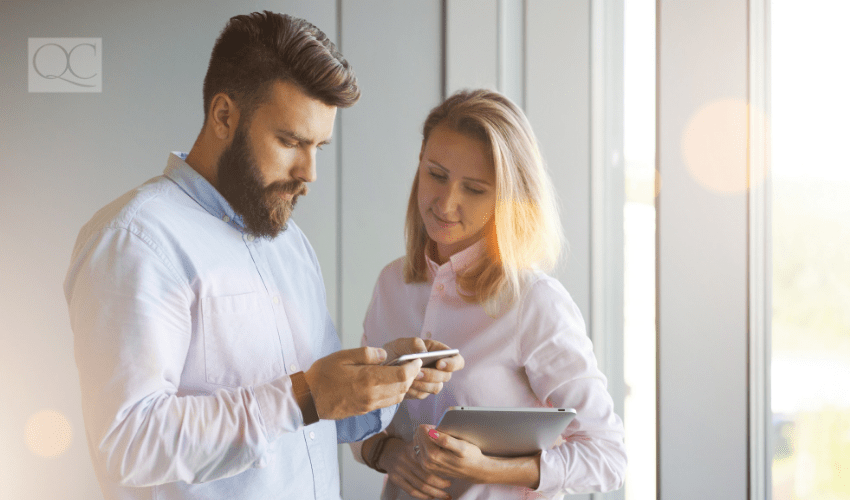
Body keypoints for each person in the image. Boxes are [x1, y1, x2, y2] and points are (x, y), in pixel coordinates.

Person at [63, 11, 461, 500]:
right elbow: (127, 442)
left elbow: (315, 418)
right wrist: (304, 396)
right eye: (290, 141)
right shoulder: (136, 241)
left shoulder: (287, 241)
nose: (309, 171)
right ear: (224, 115)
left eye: (319, 146)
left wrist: (384, 380)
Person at [351, 89, 627, 499]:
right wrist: (388, 454)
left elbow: (608, 457)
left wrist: (488, 468)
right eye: (436, 174)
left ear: (507, 198)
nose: (446, 203)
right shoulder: (392, 284)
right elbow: (357, 417)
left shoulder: (535, 303)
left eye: (475, 189)